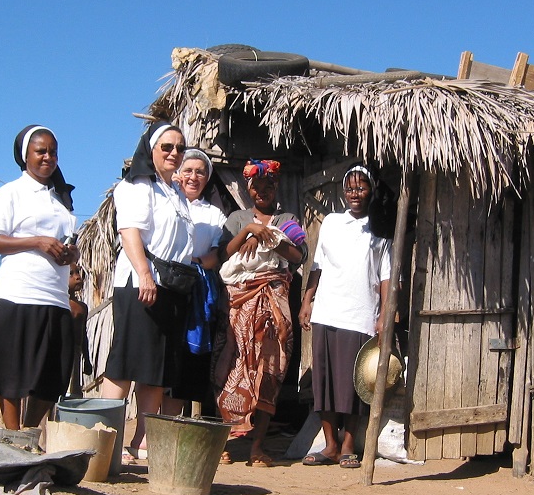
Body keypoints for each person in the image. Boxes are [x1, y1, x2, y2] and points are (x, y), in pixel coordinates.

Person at [100, 120, 195, 465]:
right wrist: (144, 275)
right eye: (166, 147)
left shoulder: (176, 193)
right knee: (126, 362)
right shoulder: (138, 185)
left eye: (180, 148)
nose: (174, 153)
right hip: (141, 284)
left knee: (156, 367)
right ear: (150, 150)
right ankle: (105, 439)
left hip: (168, 288)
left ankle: (142, 440)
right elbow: (129, 233)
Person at [0, 125, 78, 430]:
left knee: (50, 376)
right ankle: (12, 437)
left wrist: (71, 254)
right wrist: (37, 241)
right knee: (11, 372)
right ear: (26, 156)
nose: (48, 157)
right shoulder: (10, 193)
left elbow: (66, 241)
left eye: (53, 152)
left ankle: (30, 433)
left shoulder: (61, 201)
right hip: (19, 293)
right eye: (41, 151)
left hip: (55, 296)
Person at [298, 164, 393, 468]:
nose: (355, 194)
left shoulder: (379, 230)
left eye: (361, 188)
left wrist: (384, 315)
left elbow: (387, 276)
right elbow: (318, 265)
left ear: (371, 191)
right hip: (327, 310)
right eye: (350, 188)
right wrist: (307, 300)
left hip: (360, 313)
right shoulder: (331, 223)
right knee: (324, 382)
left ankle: (349, 444)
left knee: (354, 383)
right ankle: (330, 445)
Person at [214, 159, 306, 466]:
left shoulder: (287, 220)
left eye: (268, 186)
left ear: (276, 187)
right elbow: (222, 254)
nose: (262, 192)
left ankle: (257, 448)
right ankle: (224, 443)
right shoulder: (237, 219)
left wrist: (269, 236)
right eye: (256, 187)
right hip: (239, 303)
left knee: (270, 368)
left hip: (274, 303)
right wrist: (249, 230)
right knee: (233, 365)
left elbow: (298, 255)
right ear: (248, 188)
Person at [166, 149, 226, 412]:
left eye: (200, 172)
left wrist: (195, 263)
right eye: (188, 170)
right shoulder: (166, 201)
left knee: (188, 364)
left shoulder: (214, 215)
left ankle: (182, 421)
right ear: (178, 172)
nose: (193, 177)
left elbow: (216, 254)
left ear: (207, 178)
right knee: (166, 358)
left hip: (195, 290)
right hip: (166, 285)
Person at [66, 265, 93, 397]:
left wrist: (87, 359)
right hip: (59, 354)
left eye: (78, 273)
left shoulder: (82, 307)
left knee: (74, 393)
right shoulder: (59, 303)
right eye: (71, 274)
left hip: (75, 356)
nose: (77, 277)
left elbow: (83, 335)